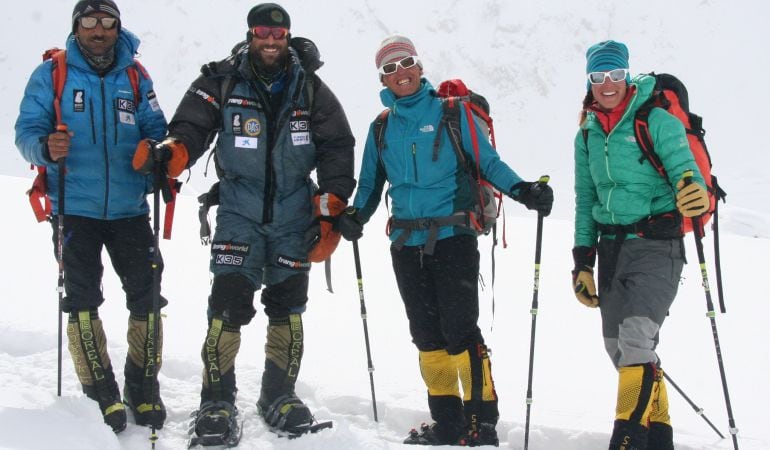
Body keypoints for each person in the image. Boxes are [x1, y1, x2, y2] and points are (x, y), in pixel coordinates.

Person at [147, 2, 355, 440]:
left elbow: (337, 144)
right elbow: (190, 126)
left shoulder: (311, 88)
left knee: (288, 311)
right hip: (238, 213)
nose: (271, 40)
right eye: (263, 31)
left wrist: (333, 203)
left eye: (279, 34)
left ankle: (278, 395)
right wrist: (174, 152)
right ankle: (216, 402)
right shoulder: (221, 81)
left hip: (294, 216)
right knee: (227, 308)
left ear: (287, 37)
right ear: (250, 34)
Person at [336, 35, 554, 446]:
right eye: (389, 68)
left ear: (419, 67)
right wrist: (356, 215)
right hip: (404, 241)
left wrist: (524, 190)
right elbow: (369, 183)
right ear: (381, 77)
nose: (399, 73)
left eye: (405, 63)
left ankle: (481, 421)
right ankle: (449, 421)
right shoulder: (381, 126)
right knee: (426, 334)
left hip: (454, 235)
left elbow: (487, 162)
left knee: (460, 330)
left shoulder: (451, 114)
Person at [14, 0, 171, 433]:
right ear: (77, 27)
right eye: (90, 22)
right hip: (73, 209)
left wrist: (156, 155)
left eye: (107, 22)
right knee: (82, 303)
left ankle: (142, 387)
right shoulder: (52, 74)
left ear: (117, 27)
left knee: (148, 297)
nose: (99, 30)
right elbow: (25, 132)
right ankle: (100, 393)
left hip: (130, 209)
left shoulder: (136, 77)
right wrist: (45, 147)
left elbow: (157, 130)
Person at [571, 40, 710, 450]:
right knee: (619, 348)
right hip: (612, 251)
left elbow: (685, 169)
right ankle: (658, 437)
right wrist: (582, 262)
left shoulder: (656, 119)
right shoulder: (587, 134)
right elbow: (585, 201)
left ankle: (628, 440)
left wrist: (693, 190)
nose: (607, 83)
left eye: (615, 74)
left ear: (627, 75)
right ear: (590, 81)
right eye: (599, 76)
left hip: (657, 246)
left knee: (635, 340)